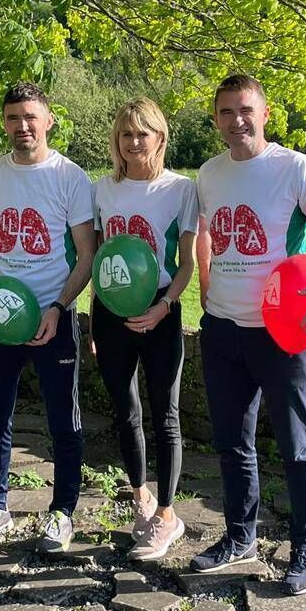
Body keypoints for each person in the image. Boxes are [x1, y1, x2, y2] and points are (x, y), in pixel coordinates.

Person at [190, 74, 306, 596]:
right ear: (216, 119)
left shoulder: (296, 168)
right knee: (232, 443)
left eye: (245, 110)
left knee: (297, 446)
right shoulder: (209, 174)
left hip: (281, 333)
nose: (236, 120)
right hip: (221, 329)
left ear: (264, 114)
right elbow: (209, 237)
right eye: (225, 112)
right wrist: (207, 282)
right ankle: (240, 537)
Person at [0, 82, 96, 554]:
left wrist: (59, 308)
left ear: (49, 120)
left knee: (64, 420)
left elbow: (87, 254)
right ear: (4, 124)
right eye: (13, 118)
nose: (22, 126)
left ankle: (62, 513)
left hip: (51, 320)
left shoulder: (71, 178)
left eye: (30, 117)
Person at [90, 97, 198, 561]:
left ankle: (168, 516)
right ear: (117, 140)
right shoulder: (103, 190)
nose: (134, 143)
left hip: (159, 310)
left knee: (166, 414)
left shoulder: (181, 190)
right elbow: (98, 258)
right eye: (126, 134)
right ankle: (141, 498)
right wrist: (97, 317)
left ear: (160, 137)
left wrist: (164, 307)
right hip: (110, 311)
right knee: (125, 411)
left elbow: (188, 261)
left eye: (143, 134)